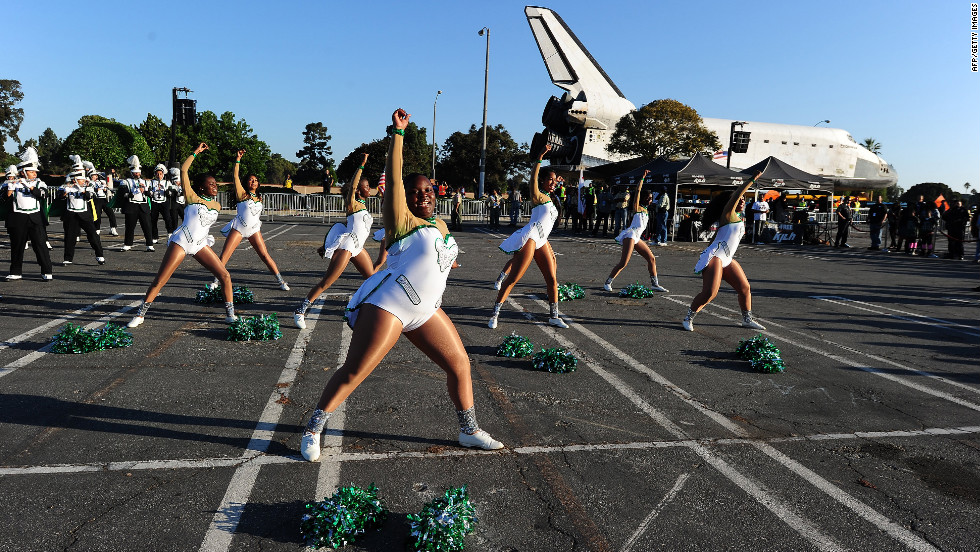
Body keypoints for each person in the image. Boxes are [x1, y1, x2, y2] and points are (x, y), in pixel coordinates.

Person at [300, 109, 502, 462]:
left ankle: (468, 430)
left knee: (461, 365)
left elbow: (438, 256)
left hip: (427, 310)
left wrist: (447, 260)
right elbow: (394, 181)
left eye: (427, 190)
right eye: (415, 191)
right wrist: (398, 134)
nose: (422, 195)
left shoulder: (440, 223)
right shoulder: (401, 219)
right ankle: (313, 428)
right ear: (405, 197)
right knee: (355, 371)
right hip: (390, 306)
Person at [127, 143, 236, 328]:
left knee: (225, 276)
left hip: (201, 244)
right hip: (182, 241)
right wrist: (195, 152)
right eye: (211, 185)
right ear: (201, 188)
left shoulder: (217, 205)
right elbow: (184, 171)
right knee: (161, 279)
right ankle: (140, 314)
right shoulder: (192, 196)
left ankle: (230, 314)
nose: (215, 187)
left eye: (216, 184)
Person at [293, 153, 376, 329]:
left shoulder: (364, 206)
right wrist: (361, 165)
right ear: (359, 190)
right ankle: (300, 310)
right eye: (367, 186)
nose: (370, 189)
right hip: (347, 246)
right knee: (327, 282)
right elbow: (353, 186)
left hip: (358, 248)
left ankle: (365, 310)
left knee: (373, 279)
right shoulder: (352, 204)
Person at [489, 144, 567, 329]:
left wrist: (558, 182)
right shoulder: (538, 195)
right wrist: (540, 157)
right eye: (550, 179)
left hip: (543, 240)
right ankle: (495, 313)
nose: (553, 182)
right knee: (514, 278)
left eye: (554, 180)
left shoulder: (552, 198)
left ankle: (554, 316)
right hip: (531, 238)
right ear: (542, 181)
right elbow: (533, 177)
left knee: (552, 280)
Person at [682, 173, 766, 332]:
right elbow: (737, 194)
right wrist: (753, 178)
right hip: (716, 258)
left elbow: (718, 236)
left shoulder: (737, 218)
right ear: (730, 203)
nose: (742, 201)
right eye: (740, 199)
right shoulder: (728, 214)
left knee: (745, 288)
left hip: (727, 258)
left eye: (744, 200)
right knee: (710, 293)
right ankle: (688, 318)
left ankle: (747, 320)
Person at [210, 149, 290, 292]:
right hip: (239, 228)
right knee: (224, 256)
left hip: (254, 229)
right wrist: (238, 160)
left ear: (258, 184)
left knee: (265, 256)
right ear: (247, 183)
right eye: (250, 180)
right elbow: (235, 176)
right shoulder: (242, 194)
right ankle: (215, 281)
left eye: (256, 180)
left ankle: (281, 281)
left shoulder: (259, 198)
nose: (253, 181)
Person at [603, 170, 668, 293]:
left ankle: (655, 284)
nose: (650, 200)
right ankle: (608, 282)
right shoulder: (637, 207)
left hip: (637, 237)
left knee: (652, 259)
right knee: (624, 262)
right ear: (643, 198)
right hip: (631, 235)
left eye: (651, 199)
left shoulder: (646, 210)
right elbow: (638, 191)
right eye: (649, 198)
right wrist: (642, 179)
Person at [3, 148, 54, 281]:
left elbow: (42, 195)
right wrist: (10, 189)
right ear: (23, 172)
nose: (34, 174)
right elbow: (4, 200)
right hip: (18, 217)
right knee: (17, 245)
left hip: (35, 218)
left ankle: (46, 270)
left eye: (35, 172)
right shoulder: (12, 184)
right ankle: (16, 272)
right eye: (31, 172)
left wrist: (29, 186)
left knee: (40, 245)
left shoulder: (39, 183)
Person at [58, 156, 105, 266]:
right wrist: (66, 191)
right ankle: (68, 258)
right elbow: (60, 196)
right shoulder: (67, 186)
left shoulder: (87, 187)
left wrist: (82, 189)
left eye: (84, 179)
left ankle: (100, 255)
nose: (84, 181)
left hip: (85, 215)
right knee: (70, 237)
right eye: (81, 180)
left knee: (93, 235)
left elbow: (89, 196)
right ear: (75, 179)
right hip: (71, 214)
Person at [117, 155, 154, 252]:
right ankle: (127, 244)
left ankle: (149, 245)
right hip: (131, 206)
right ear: (132, 173)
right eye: (135, 173)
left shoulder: (145, 182)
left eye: (138, 173)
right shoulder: (126, 182)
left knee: (147, 226)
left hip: (143, 206)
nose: (137, 174)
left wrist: (145, 190)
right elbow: (124, 194)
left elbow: (150, 194)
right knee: (130, 226)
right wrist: (133, 192)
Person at [85, 161, 117, 236]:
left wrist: (105, 189)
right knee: (97, 215)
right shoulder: (89, 183)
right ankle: (97, 229)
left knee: (110, 213)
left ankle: (113, 228)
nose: (95, 177)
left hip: (103, 199)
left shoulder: (100, 182)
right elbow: (91, 190)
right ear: (90, 176)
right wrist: (99, 189)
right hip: (96, 199)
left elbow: (104, 191)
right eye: (93, 175)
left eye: (96, 175)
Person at [148, 163, 177, 244]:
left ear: (163, 175)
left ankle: (170, 235)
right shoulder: (152, 182)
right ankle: (154, 236)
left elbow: (171, 193)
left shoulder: (167, 183)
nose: (159, 175)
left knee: (167, 218)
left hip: (164, 203)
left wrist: (165, 190)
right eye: (157, 174)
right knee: (153, 220)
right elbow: (148, 192)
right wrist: (151, 191)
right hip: (155, 202)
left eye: (160, 174)